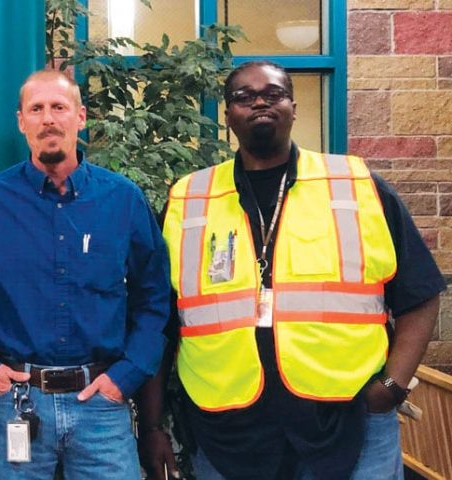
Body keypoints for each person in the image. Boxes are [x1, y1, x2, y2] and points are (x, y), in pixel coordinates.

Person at [137, 61, 445, 480]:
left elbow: (421, 294)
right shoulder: (189, 199)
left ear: (294, 107)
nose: (260, 102)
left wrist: (390, 388)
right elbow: (158, 322)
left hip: (350, 420)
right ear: (228, 115)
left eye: (273, 93)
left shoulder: (357, 187)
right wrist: (152, 426)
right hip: (227, 430)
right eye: (244, 97)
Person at [0, 69, 170, 479]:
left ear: (80, 117)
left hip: (101, 402)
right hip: (12, 402)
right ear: (21, 122)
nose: (48, 118)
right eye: (36, 109)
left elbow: (154, 297)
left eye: (59, 107)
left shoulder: (122, 200)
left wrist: (127, 375)